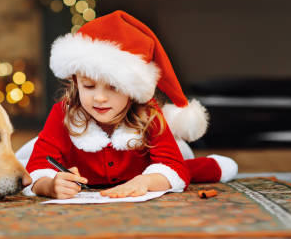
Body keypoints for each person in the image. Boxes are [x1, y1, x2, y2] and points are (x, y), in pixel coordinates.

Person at [17, 10, 238, 199]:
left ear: (133, 91)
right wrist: (50, 185)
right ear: (75, 83)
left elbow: (173, 168)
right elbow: (38, 167)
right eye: (89, 86)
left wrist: (146, 182)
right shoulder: (63, 113)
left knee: (187, 168)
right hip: (84, 178)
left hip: (141, 171)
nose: (100, 98)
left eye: (113, 87)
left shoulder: (149, 114)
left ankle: (213, 166)